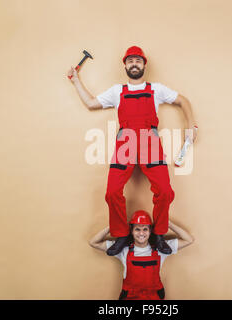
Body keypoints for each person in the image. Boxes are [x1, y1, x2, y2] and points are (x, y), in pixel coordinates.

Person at [69, 46, 197, 256]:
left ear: (144, 65)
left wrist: (191, 126)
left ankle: (159, 233)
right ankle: (120, 235)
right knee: (111, 192)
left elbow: (183, 101)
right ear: (125, 65)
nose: (134, 64)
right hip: (125, 144)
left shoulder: (157, 89)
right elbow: (91, 103)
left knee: (164, 191)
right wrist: (76, 81)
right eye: (130, 61)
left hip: (150, 143)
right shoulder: (117, 91)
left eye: (138, 60)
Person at [89, 210, 194, 300]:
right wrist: (112, 226)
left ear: (150, 231)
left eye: (145, 229)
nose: (141, 233)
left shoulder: (161, 248)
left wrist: (168, 223)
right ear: (132, 231)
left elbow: (188, 240)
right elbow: (93, 242)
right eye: (137, 229)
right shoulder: (122, 249)